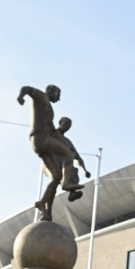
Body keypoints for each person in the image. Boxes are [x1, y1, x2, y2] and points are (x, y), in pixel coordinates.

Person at [16, 84, 83, 221]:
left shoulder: (49, 110)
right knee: (68, 155)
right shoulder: (41, 97)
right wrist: (21, 96)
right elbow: (27, 88)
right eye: (58, 95)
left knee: (56, 177)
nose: (58, 99)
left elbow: (53, 131)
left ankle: (44, 207)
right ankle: (67, 184)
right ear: (51, 91)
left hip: (40, 140)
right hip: (40, 137)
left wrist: (67, 145)